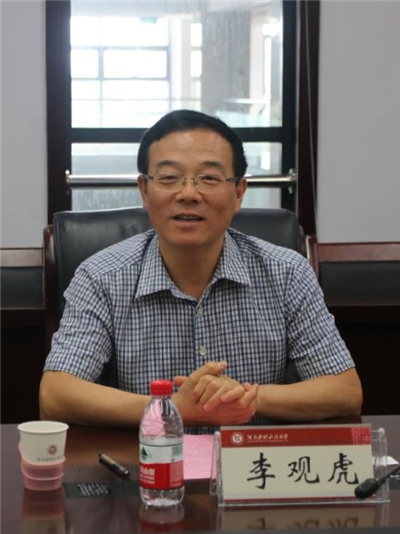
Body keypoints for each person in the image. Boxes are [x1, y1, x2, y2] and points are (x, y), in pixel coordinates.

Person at [39, 109, 362, 428]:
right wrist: (170, 409)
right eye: (169, 178)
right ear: (144, 191)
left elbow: (345, 392)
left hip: (251, 459)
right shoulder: (100, 277)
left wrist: (244, 397)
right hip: (148, 459)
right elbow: (56, 394)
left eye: (209, 178)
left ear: (238, 193)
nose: (188, 194)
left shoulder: (288, 273)